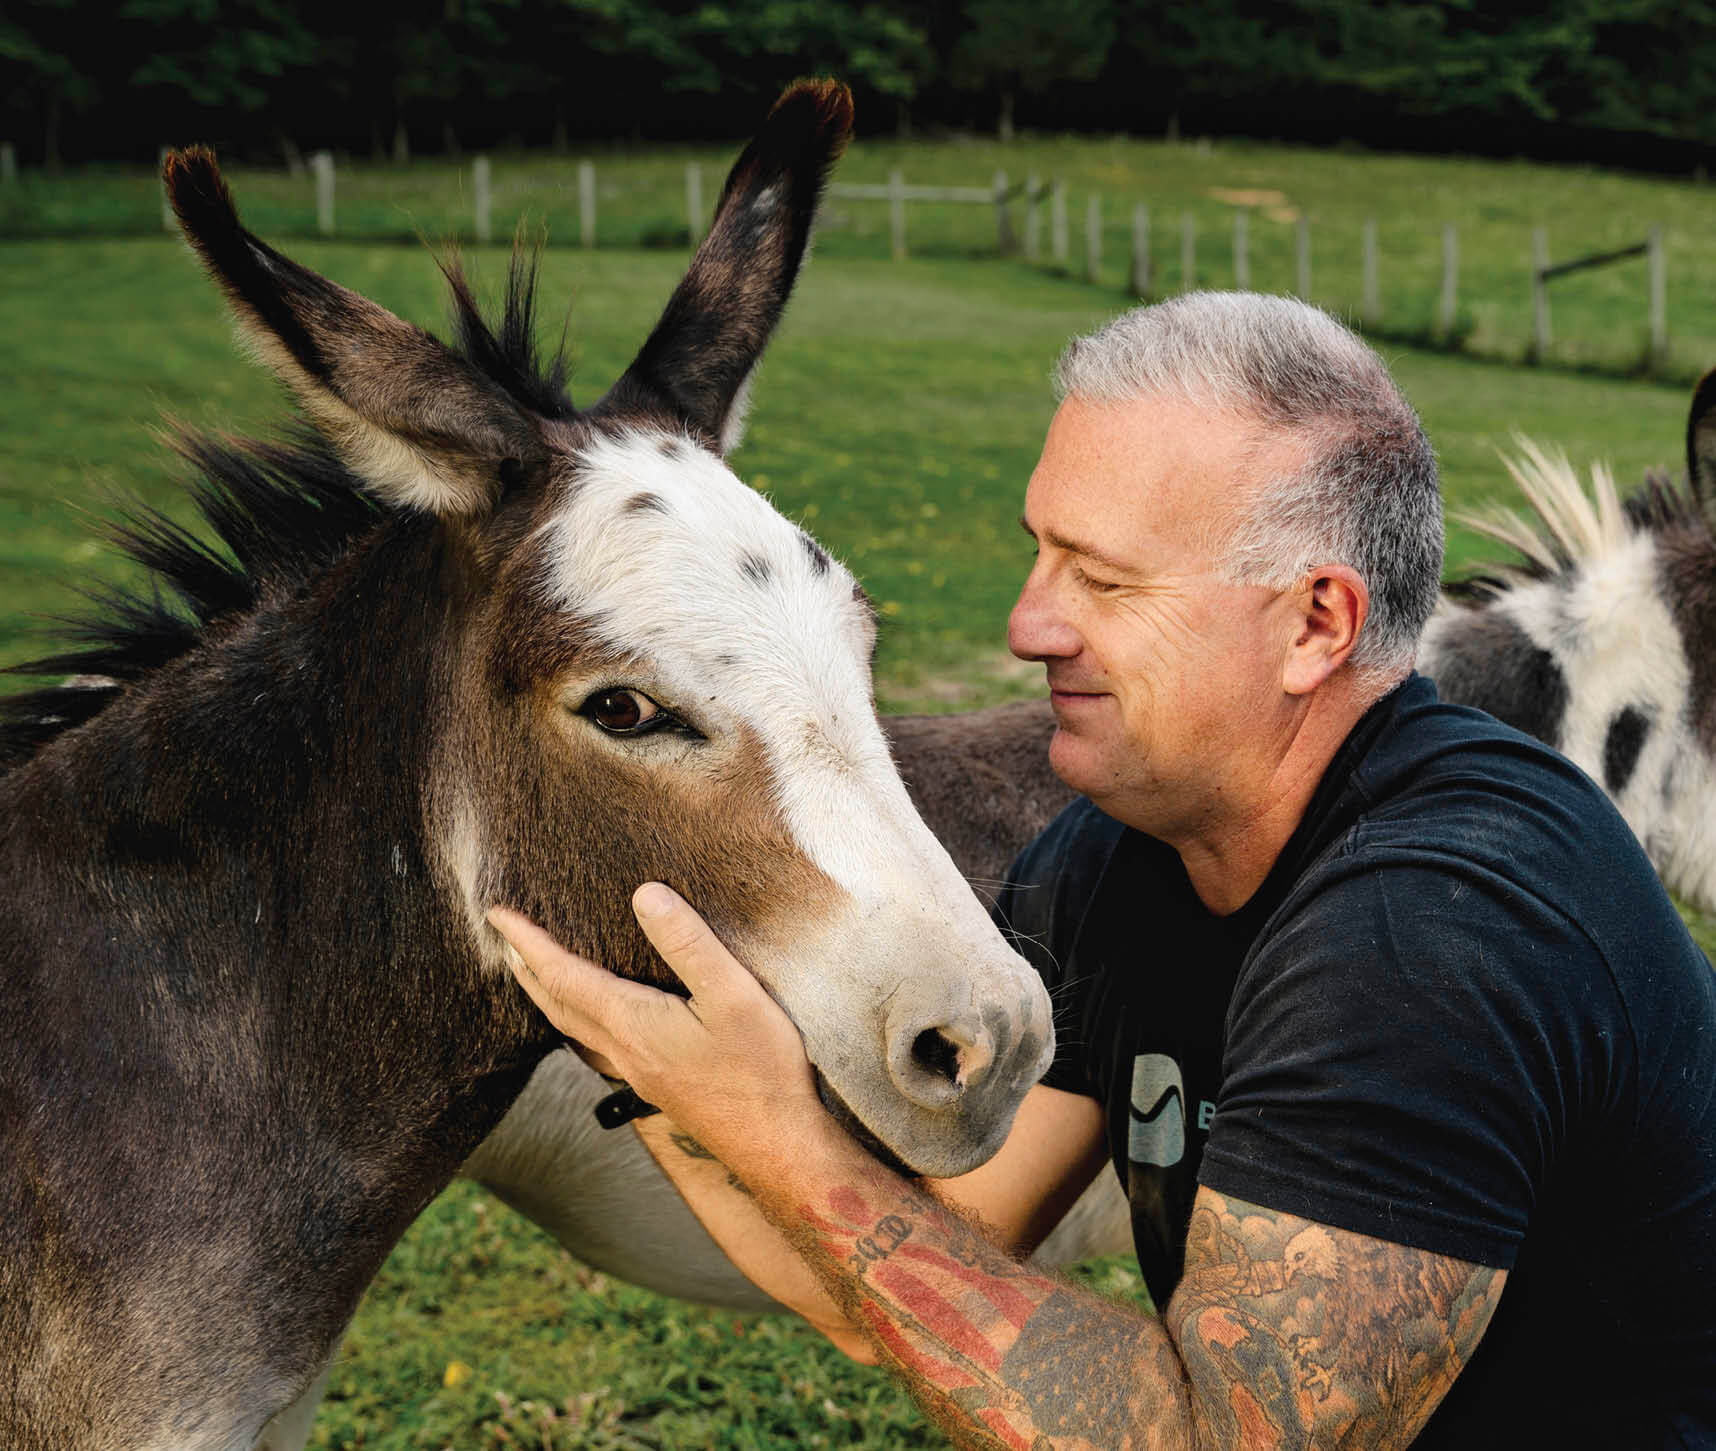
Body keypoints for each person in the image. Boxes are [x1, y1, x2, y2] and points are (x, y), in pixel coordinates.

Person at [492, 292, 1716, 1449]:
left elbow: (1219, 1434)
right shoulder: (1128, 855)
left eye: (1106, 581)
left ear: (1316, 626)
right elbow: (913, 1262)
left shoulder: (1434, 928)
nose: (1030, 623)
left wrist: (778, 1133)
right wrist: (675, 1081)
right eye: (1041, 554)